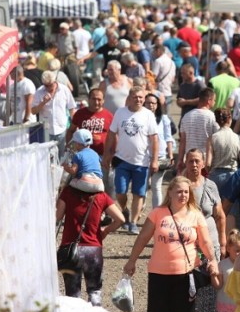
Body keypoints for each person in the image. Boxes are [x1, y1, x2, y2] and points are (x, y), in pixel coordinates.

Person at [123, 176, 218, 312]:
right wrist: (131, 261)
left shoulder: (196, 215)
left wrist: (213, 261)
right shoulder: (158, 213)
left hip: (185, 275)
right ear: (170, 193)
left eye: (186, 192)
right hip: (158, 274)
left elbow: (206, 242)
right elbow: (143, 238)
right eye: (179, 192)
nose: (183, 195)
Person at [184, 149, 227, 312]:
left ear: (203, 164)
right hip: (186, 247)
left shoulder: (211, 186)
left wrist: (223, 242)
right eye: (190, 161)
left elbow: (220, 215)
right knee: (186, 286)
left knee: (208, 287)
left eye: (197, 161)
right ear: (185, 163)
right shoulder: (180, 186)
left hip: (210, 244)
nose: (194, 165)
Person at [103, 86, 158, 235]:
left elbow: (154, 138)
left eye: (141, 97)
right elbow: (111, 133)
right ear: (130, 98)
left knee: (138, 194)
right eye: (135, 97)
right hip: (122, 159)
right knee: (120, 192)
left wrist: (154, 160)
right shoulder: (121, 113)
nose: (138, 100)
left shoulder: (148, 115)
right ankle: (125, 210)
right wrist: (107, 153)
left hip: (142, 162)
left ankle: (133, 222)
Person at [56, 185, 125, 306]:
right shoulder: (101, 196)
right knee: (94, 292)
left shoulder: (67, 192)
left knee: (72, 295)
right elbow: (120, 219)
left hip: (70, 250)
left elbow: (57, 216)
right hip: (93, 250)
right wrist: (106, 230)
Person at [67, 88, 115, 197]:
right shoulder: (80, 114)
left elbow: (114, 136)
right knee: (82, 180)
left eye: (99, 99)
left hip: (102, 155)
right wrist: (69, 147)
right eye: (94, 99)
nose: (96, 102)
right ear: (88, 99)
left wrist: (111, 154)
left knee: (104, 183)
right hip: (83, 156)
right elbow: (70, 131)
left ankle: (106, 209)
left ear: (103, 101)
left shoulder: (108, 115)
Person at [31, 70, 77, 159]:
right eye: (46, 86)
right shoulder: (40, 91)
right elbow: (33, 111)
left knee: (62, 157)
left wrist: (74, 126)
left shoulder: (64, 89)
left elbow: (72, 108)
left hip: (62, 129)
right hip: (46, 130)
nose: (48, 88)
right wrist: (43, 103)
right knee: (46, 158)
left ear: (55, 81)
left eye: (50, 85)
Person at [177, 88, 219, 173]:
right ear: (209, 100)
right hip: (206, 161)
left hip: (189, 160)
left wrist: (180, 160)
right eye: (214, 100)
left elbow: (182, 141)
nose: (215, 102)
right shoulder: (213, 117)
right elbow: (217, 140)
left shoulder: (186, 116)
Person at [145, 93, 175, 208]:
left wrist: (171, 155)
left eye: (153, 103)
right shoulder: (140, 118)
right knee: (143, 187)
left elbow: (169, 138)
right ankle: (139, 209)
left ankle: (155, 214)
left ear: (157, 105)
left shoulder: (164, 119)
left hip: (160, 157)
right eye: (148, 103)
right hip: (143, 157)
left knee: (156, 186)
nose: (151, 105)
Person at [62, 129, 105, 193]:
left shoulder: (78, 155)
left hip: (85, 182)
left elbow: (73, 171)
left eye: (74, 143)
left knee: (69, 184)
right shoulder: (95, 153)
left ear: (78, 144)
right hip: (100, 184)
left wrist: (64, 166)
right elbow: (100, 165)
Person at [151, 44, 176, 109]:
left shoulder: (158, 61)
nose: (153, 53)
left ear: (158, 50)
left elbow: (153, 77)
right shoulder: (172, 62)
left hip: (159, 91)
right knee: (166, 115)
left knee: (161, 115)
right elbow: (173, 78)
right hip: (168, 91)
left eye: (154, 51)